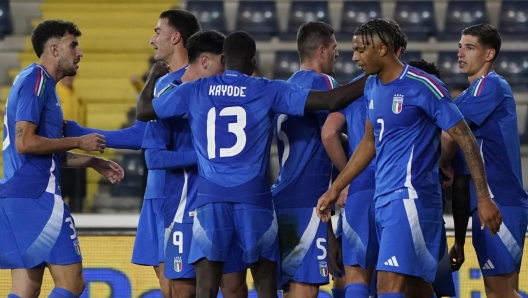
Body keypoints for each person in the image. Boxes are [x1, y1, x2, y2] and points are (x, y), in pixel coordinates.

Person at [136, 31, 368, 298]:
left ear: (223, 58)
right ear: (252, 61)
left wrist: (153, 77)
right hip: (254, 199)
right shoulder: (266, 89)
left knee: (206, 288)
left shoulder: (196, 89)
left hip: (209, 200)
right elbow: (331, 100)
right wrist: (371, 76)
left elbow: (144, 111)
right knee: (265, 285)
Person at [316, 18, 502, 298]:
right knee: (416, 288)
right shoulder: (372, 87)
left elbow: (465, 138)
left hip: (411, 199)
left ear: (383, 49)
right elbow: (368, 144)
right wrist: (335, 188)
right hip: (383, 200)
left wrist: (484, 198)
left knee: (388, 286)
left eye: (361, 50)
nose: (354, 57)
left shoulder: (423, 85)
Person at [63, 9, 201, 298]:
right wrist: (80, 134)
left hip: (179, 195)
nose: (152, 40)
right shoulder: (162, 83)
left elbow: (158, 147)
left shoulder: (191, 84)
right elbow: (141, 135)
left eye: (157, 32)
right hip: (156, 195)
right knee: (169, 291)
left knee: (184, 290)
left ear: (175, 37)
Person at [0, 20, 124, 298]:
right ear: (54, 49)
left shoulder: (35, 81)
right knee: (72, 283)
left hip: (16, 197)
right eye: (73, 45)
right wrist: (80, 141)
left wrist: (91, 161)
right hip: (38, 198)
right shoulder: (38, 80)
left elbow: (44, 150)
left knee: (26, 288)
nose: (79, 53)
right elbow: (26, 143)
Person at [144, 29, 248, 298]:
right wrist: (201, 157)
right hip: (184, 207)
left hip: (227, 203)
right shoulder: (170, 93)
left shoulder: (225, 94)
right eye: (223, 62)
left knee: (235, 288)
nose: (228, 70)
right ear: (205, 61)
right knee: (184, 290)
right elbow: (153, 157)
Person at [441, 23, 528, 298]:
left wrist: (441, 163)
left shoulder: (490, 85)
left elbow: (449, 135)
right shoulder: (469, 94)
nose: (460, 53)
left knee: (502, 293)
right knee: (498, 292)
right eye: (459, 47)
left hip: (499, 200)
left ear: (489, 54)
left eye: (469, 47)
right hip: (486, 203)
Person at [271, 21, 339, 298]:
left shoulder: (285, 90)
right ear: (321, 51)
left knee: (291, 288)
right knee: (305, 289)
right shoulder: (323, 83)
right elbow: (330, 133)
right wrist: (347, 179)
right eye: (334, 49)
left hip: (283, 198)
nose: (337, 55)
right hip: (308, 201)